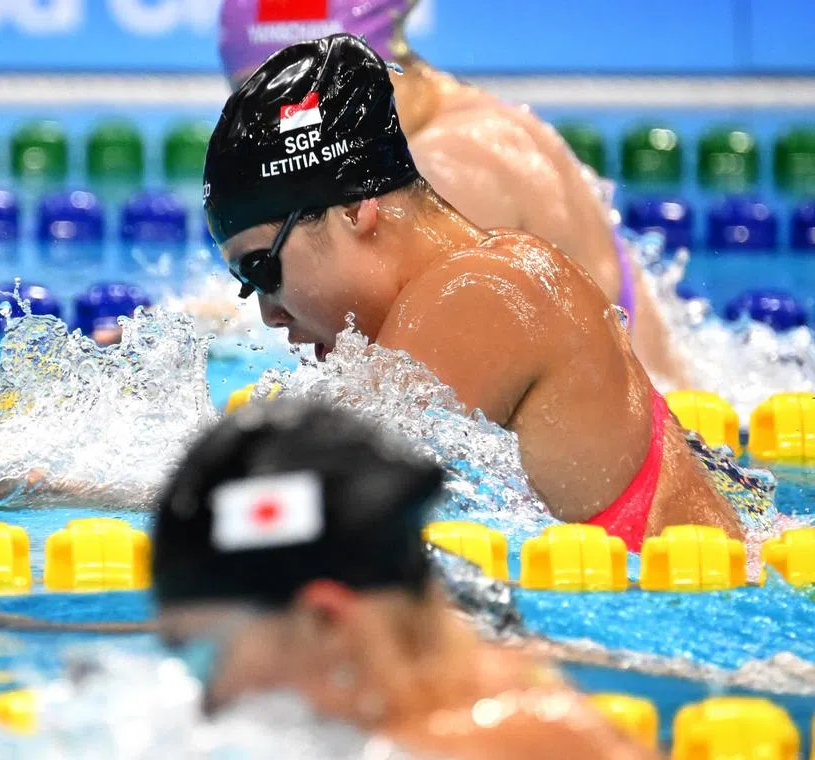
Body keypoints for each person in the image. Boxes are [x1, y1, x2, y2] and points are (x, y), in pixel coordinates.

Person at [203, 33, 742, 550]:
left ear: (352, 210)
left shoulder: (475, 293)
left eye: (262, 269)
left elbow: (315, 505)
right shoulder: (491, 271)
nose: (269, 314)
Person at [218, 0, 691, 389]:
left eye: (290, 107)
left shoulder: (448, 170)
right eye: (249, 100)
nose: (265, 139)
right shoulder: (468, 121)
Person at [154, 398, 658, 759]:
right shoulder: (483, 696)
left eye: (199, 653)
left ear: (325, 621)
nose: (205, 698)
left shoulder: (476, 747)